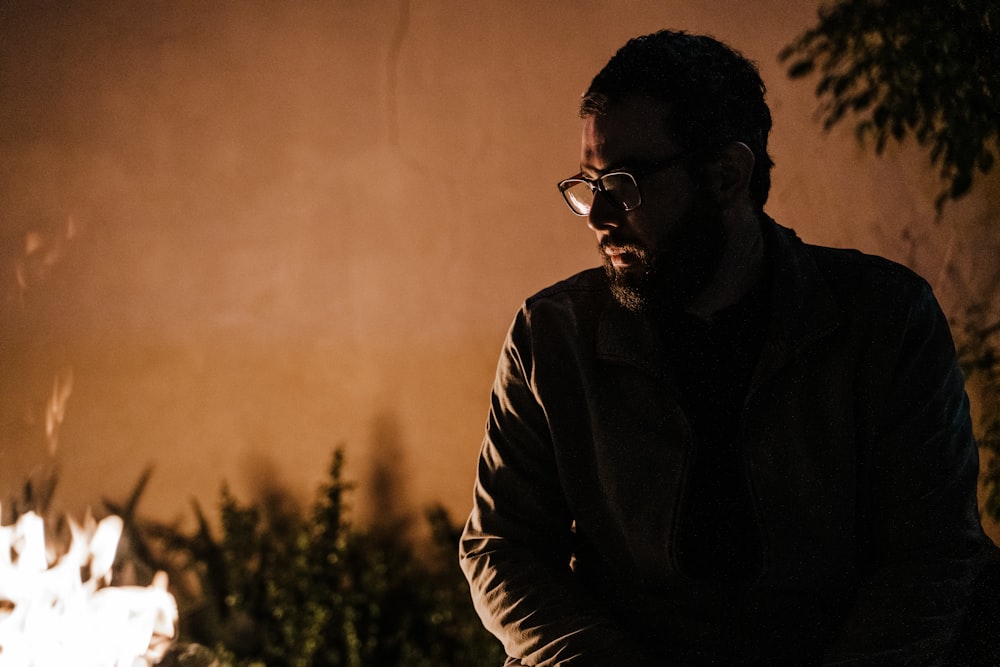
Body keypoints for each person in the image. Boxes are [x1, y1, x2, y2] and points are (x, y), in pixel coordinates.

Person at [459, 29, 998, 666]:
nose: (600, 216)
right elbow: (501, 549)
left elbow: (933, 555)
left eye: (623, 184)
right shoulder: (551, 334)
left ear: (726, 175)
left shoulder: (884, 320)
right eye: (586, 184)